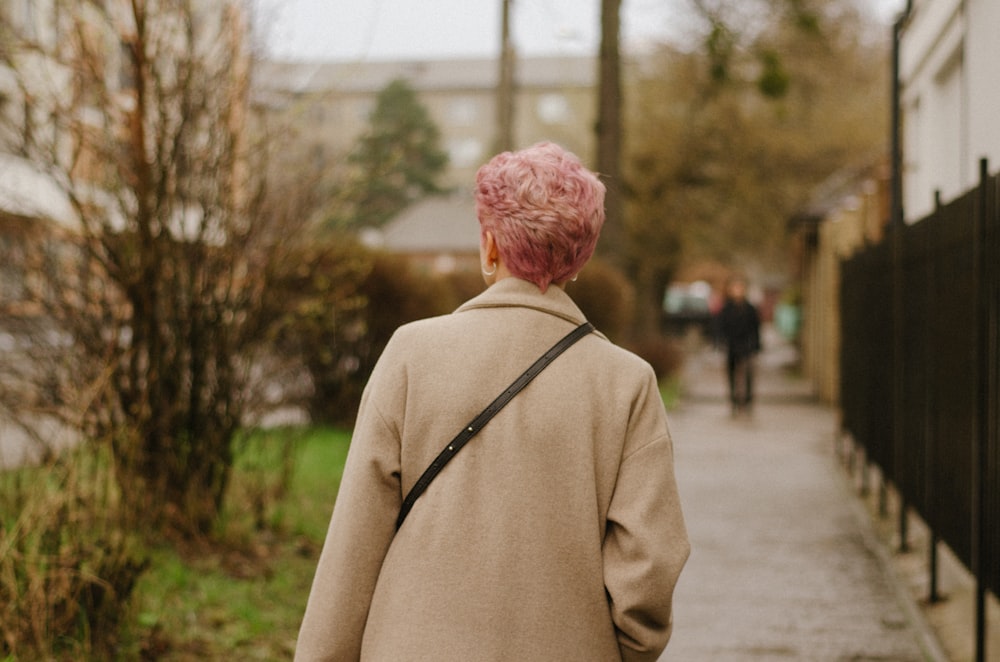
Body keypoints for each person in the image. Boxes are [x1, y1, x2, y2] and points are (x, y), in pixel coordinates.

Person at [294, 142, 689, 662]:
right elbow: (648, 566)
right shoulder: (626, 382)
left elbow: (355, 541)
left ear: (489, 247)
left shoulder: (412, 355)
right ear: (579, 259)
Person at [716, 276, 762, 416]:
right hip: (731, 346)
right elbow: (720, 327)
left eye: (740, 288)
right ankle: (734, 401)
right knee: (731, 374)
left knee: (748, 373)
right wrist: (721, 342)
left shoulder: (750, 309)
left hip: (746, 346)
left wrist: (756, 345)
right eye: (735, 288)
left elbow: (756, 327)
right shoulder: (726, 308)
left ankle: (747, 401)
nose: (737, 291)